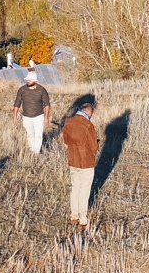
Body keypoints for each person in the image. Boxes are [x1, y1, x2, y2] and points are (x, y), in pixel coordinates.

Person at [61, 98, 100, 230]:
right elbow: (94, 147)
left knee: (75, 188)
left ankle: (74, 217)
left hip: (73, 160)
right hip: (86, 162)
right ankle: (83, 220)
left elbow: (66, 140)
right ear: (89, 112)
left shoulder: (68, 122)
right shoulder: (88, 125)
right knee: (84, 190)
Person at [11, 68, 52, 155]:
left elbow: (47, 105)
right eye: (27, 80)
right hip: (26, 116)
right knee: (30, 135)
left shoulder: (42, 90)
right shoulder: (22, 90)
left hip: (38, 116)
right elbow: (17, 103)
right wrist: (15, 116)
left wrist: (46, 118)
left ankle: (36, 152)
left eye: (30, 80)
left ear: (35, 81)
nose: (28, 81)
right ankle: (32, 150)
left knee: (38, 135)